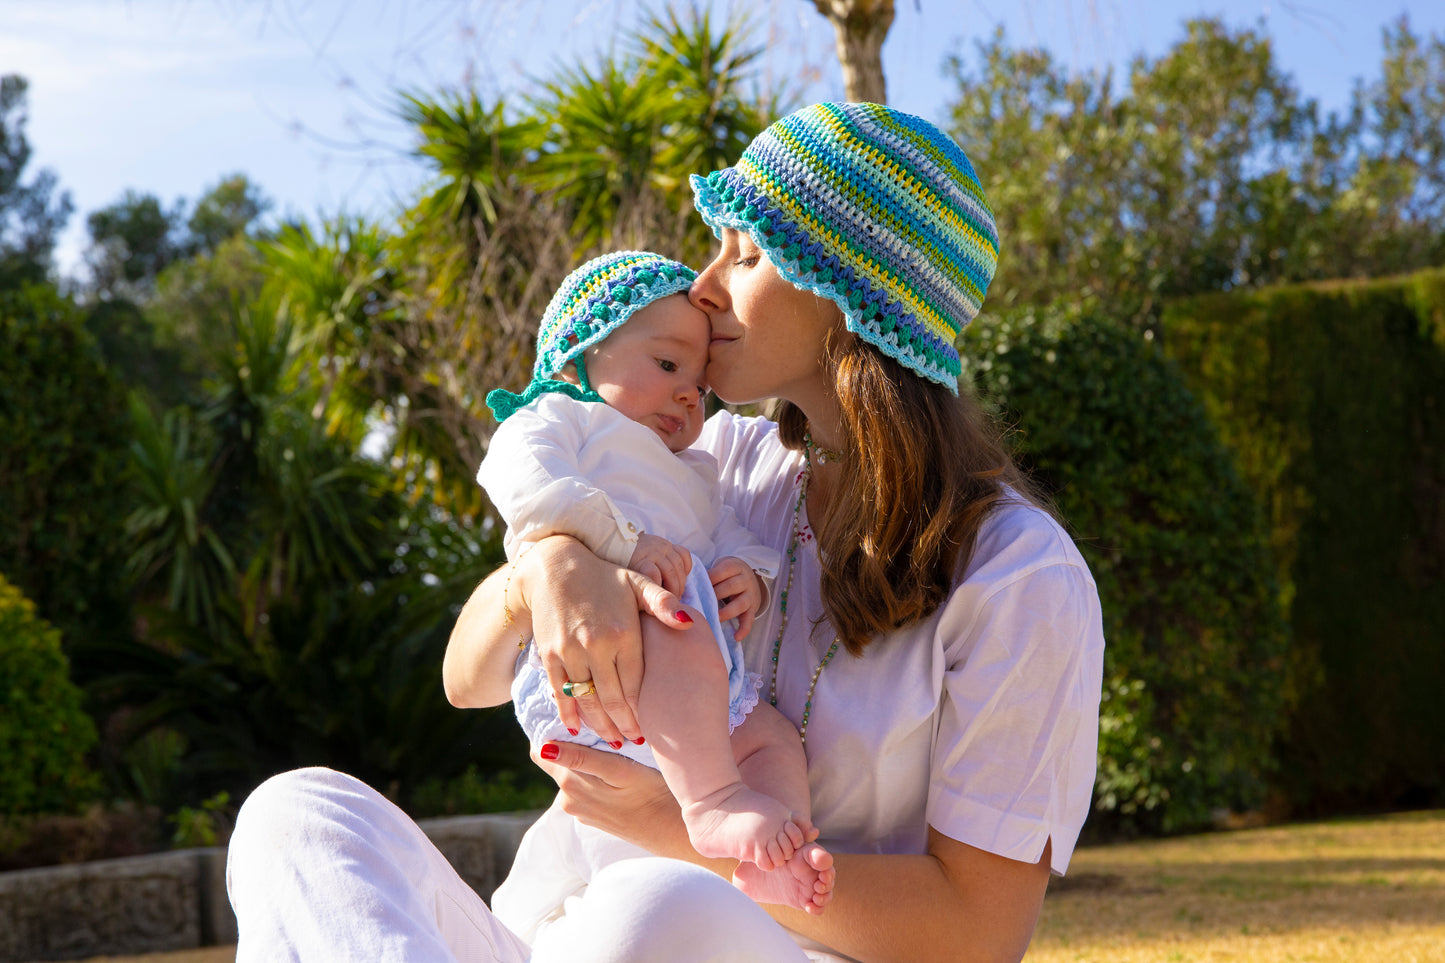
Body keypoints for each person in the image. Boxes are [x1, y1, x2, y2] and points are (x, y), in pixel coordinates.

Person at [227, 101, 1105, 963]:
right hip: (564, 933)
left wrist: (679, 829)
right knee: (296, 812)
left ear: (849, 298)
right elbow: (468, 676)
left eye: (748, 252)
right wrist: (545, 569)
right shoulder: (709, 461)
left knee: (657, 904)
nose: (705, 284)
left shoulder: (1018, 574)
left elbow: (977, 934)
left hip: (735, 937)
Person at [476, 250, 832, 913]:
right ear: (576, 358)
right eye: (667, 365)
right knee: (672, 617)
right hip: (595, 665)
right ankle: (714, 802)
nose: (684, 394)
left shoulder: (694, 467)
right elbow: (524, 485)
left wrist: (748, 574)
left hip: (695, 690)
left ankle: (769, 854)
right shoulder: (561, 419)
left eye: (698, 386)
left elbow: (723, 528)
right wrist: (622, 546)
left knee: (775, 739)